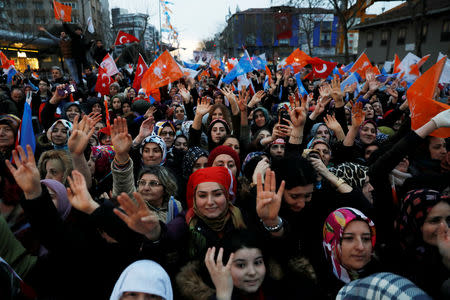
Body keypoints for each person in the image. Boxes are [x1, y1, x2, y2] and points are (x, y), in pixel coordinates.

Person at [322, 207, 378, 298]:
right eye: (349, 238)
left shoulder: (384, 279)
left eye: (366, 239)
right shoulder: (316, 289)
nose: (361, 247)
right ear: (332, 243)